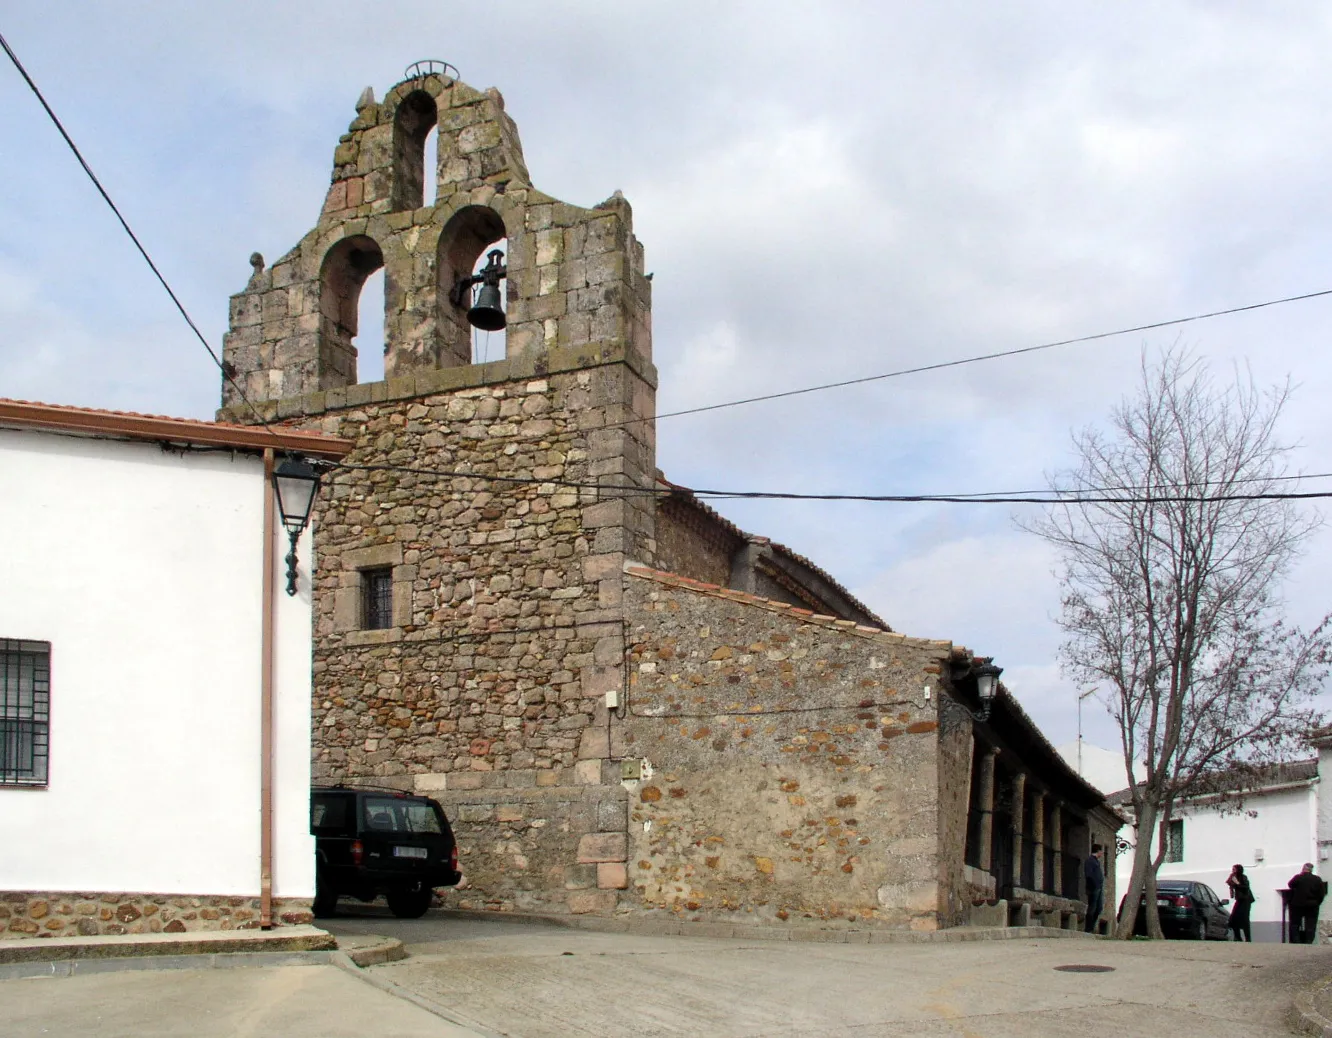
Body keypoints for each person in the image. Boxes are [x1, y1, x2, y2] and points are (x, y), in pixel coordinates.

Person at [1287, 862, 1328, 944]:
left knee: (1295, 923)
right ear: (1311, 870)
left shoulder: (1298, 877)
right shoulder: (1317, 879)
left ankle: (1296, 940)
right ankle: (1309, 941)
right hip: (1312, 905)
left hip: (1298, 904)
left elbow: (1290, 885)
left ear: (1303, 869)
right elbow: (1321, 893)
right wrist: (1317, 902)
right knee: (1311, 924)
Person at [1226, 864, 1254, 942]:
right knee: (1233, 919)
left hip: (1246, 900)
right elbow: (1229, 883)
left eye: (1234, 869)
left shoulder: (1243, 877)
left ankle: (1248, 939)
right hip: (1239, 899)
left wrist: (1237, 884)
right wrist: (1232, 882)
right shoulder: (1233, 876)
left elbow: (1245, 888)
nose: (1233, 871)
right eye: (1232, 869)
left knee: (1245, 919)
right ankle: (1238, 937)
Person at [1083, 843, 1105, 934]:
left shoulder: (1096, 861)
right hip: (1093, 888)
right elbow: (1089, 875)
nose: (1102, 853)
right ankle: (1088, 928)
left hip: (1099, 888)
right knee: (1092, 908)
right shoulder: (1090, 861)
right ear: (1098, 851)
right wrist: (1094, 885)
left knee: (1099, 908)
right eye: (1101, 851)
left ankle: (1091, 926)